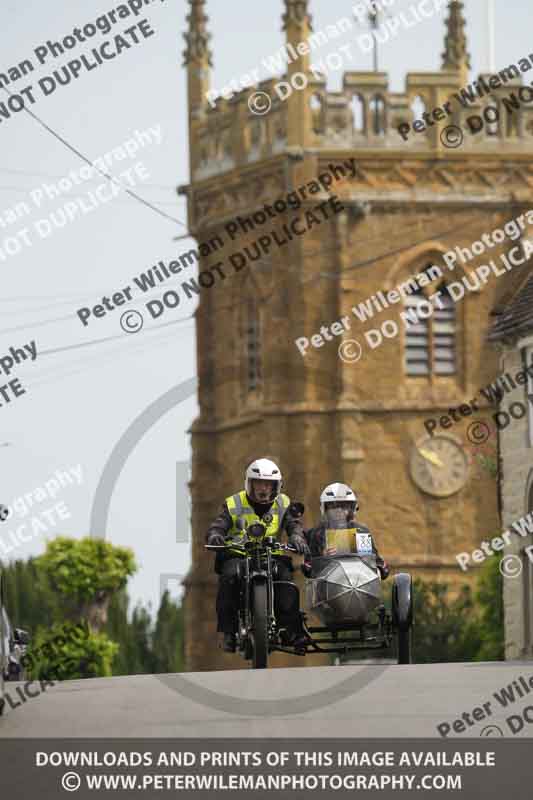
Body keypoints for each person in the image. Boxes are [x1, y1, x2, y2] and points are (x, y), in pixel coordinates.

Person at [206, 458, 309, 652]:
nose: (263, 489)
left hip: (272, 554)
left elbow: (293, 524)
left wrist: (297, 537)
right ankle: (229, 632)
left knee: (286, 580)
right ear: (249, 484)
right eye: (259, 483)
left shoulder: (284, 502)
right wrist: (215, 536)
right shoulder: (234, 502)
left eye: (268, 484)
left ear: (276, 487)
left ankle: (289, 630)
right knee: (228, 577)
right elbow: (218, 525)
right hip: (239, 553)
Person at [304, 482, 390, 579]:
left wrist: (379, 566)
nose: (339, 510)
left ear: (352, 509)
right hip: (328, 586)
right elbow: (308, 569)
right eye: (333, 506)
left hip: (359, 582)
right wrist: (323, 558)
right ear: (325, 509)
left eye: (344, 506)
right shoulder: (317, 533)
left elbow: (377, 562)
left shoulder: (360, 530)